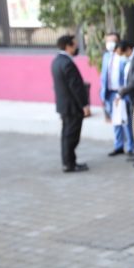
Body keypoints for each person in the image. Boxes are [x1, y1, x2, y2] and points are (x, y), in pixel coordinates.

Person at [50, 34, 91, 173]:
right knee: (71, 136)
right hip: (72, 107)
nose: (77, 47)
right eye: (74, 44)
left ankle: (68, 162)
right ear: (68, 46)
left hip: (64, 106)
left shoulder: (57, 61)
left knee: (66, 135)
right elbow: (76, 87)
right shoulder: (67, 63)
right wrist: (84, 105)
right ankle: (70, 164)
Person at [100, 31, 128, 156]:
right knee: (115, 121)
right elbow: (103, 76)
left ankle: (131, 148)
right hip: (110, 93)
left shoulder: (123, 56)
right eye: (108, 41)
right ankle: (119, 146)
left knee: (125, 120)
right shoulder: (106, 56)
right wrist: (102, 93)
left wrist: (122, 92)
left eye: (113, 41)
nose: (110, 44)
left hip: (122, 93)